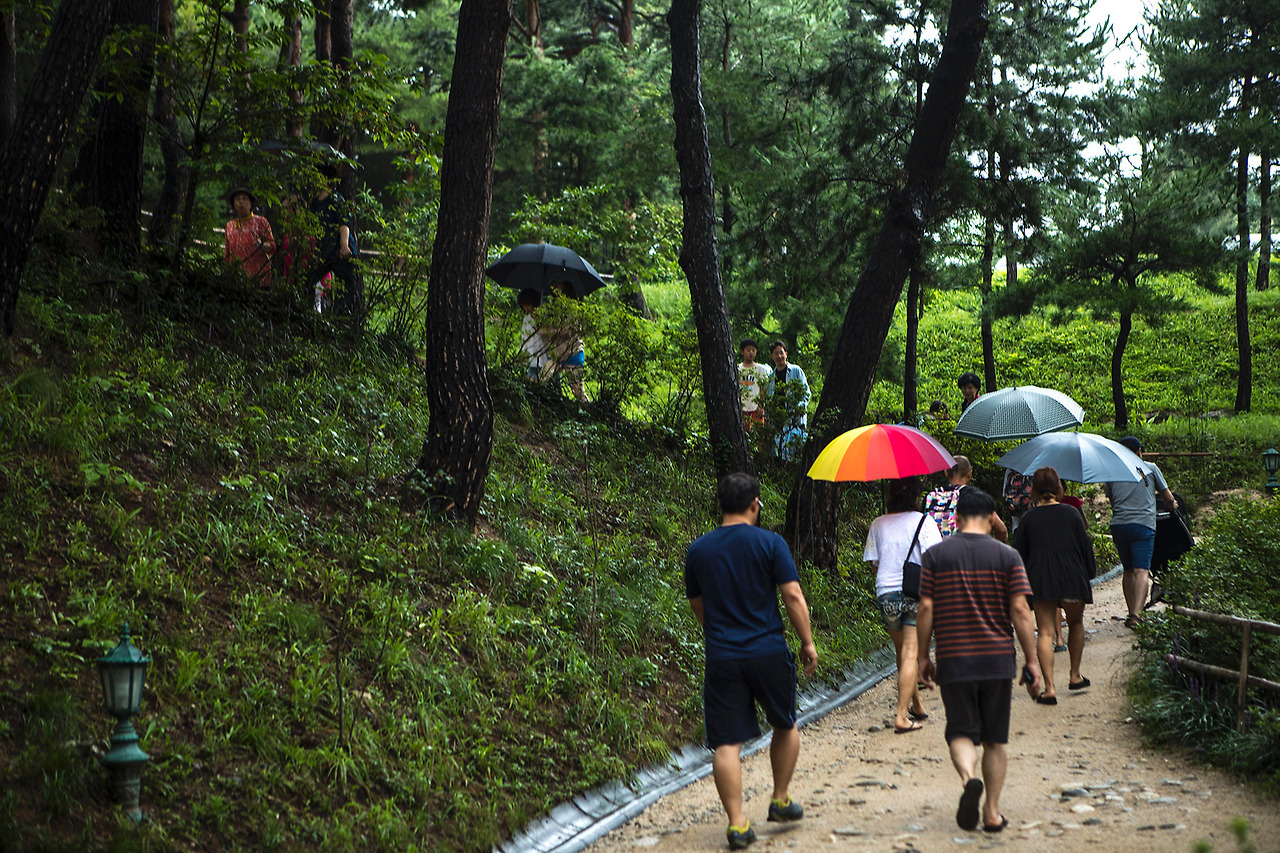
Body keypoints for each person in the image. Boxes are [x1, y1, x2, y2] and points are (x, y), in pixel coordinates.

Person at [684, 473, 818, 850]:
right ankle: (780, 799)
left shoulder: (699, 550)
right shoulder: (770, 543)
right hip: (768, 651)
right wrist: (807, 642)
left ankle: (737, 824)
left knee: (727, 743)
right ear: (754, 504)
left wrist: (718, 632)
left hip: (723, 656)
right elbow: (792, 595)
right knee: (785, 722)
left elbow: (697, 603)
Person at [917, 486, 1040, 834]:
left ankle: (969, 778)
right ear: (991, 518)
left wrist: (923, 656)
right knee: (994, 740)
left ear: (956, 519)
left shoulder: (936, 555)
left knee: (960, 732)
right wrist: (1031, 660)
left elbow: (926, 608)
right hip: (997, 660)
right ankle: (992, 813)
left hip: (954, 659)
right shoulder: (1007, 556)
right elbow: (1020, 610)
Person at [1011, 467, 1097, 704]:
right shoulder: (1071, 514)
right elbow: (1085, 547)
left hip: (1041, 579)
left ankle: (1049, 689)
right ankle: (1075, 675)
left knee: (1045, 632)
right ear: (1058, 487)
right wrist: (1089, 573)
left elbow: (1019, 555)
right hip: (1072, 575)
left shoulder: (1028, 519)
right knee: (1076, 623)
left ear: (1034, 490)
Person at [864, 477, 942, 733]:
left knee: (902, 651)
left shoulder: (878, 523)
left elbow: (874, 563)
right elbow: (935, 559)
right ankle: (901, 716)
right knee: (910, 653)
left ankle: (917, 705)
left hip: (886, 594)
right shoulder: (924, 521)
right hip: (913, 593)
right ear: (916, 495)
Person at [1104, 436, 1179, 628]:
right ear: (1139, 451)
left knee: (1128, 570)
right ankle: (1136, 615)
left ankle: (1131, 611)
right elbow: (1168, 498)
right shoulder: (1150, 468)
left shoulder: (1111, 472)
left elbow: (1113, 502)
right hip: (1143, 525)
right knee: (1142, 570)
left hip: (1119, 526)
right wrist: (1173, 506)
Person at [306, 165, 362, 316]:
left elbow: (344, 224)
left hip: (340, 249)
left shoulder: (336, 199)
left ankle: (345, 318)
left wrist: (344, 245)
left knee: (347, 288)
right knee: (309, 280)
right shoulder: (315, 203)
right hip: (324, 250)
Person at [923, 456, 1009, 542]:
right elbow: (1001, 530)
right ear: (969, 474)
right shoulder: (974, 496)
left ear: (946, 472)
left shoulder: (930, 497)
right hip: (964, 548)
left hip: (933, 548)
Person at [542, 282, 590, 402]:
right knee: (542, 381)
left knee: (578, 391)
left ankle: (588, 410)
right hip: (555, 354)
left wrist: (548, 331)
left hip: (572, 352)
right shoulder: (552, 310)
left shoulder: (573, 309)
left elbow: (566, 330)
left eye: (559, 287)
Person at [765, 341, 810, 461]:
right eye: (776, 354)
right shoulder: (771, 377)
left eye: (781, 353)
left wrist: (798, 408)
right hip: (778, 421)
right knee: (778, 454)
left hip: (795, 420)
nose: (779, 356)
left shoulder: (796, 371)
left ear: (786, 353)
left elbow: (806, 393)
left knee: (796, 453)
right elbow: (768, 399)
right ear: (772, 356)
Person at [223, 187, 276, 288]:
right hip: (237, 278)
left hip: (259, 277)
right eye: (238, 199)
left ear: (251, 203)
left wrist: (264, 246)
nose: (241, 202)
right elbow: (227, 254)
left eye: (244, 199)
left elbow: (272, 246)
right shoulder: (230, 225)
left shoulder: (261, 222)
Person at [737, 339, 773, 431]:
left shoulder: (760, 369)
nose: (751, 353)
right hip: (742, 406)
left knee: (759, 431)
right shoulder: (738, 368)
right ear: (742, 351)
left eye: (753, 350)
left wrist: (761, 405)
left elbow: (763, 388)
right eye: (748, 350)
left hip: (756, 406)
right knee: (744, 432)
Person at [516, 289, 551, 380]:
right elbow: (524, 338)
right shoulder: (526, 319)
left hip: (546, 360)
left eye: (528, 305)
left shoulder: (546, 317)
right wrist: (524, 355)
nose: (527, 308)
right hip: (532, 360)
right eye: (524, 306)